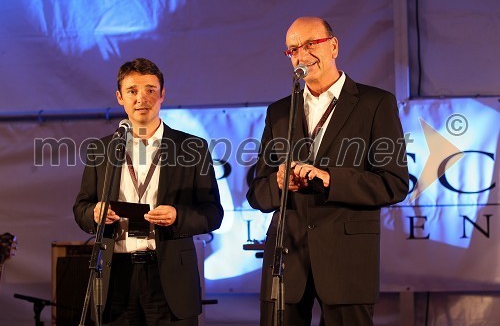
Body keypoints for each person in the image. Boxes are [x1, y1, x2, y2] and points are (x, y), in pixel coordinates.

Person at [246, 17, 409, 325]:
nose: (302, 54)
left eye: (311, 44)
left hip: (346, 260)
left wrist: (331, 179)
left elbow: (394, 183)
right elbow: (257, 193)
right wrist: (278, 183)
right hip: (286, 259)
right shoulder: (279, 111)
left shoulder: (375, 103)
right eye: (293, 49)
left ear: (334, 46)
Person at [74, 58, 223, 326]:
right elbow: (81, 207)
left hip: (169, 275)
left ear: (163, 94)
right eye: (132, 91)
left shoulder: (191, 147)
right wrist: (94, 213)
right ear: (119, 97)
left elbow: (213, 213)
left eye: (151, 89)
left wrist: (178, 215)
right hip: (116, 275)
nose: (142, 98)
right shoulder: (101, 149)